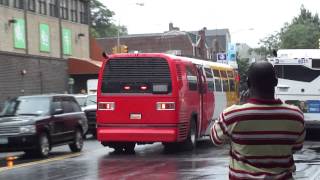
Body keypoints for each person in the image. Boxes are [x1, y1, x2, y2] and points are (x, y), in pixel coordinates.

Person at [210, 61, 305, 180]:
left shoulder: (232, 115)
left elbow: (215, 139)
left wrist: (241, 105)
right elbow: (297, 147)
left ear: (248, 83)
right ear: (276, 82)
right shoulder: (295, 116)